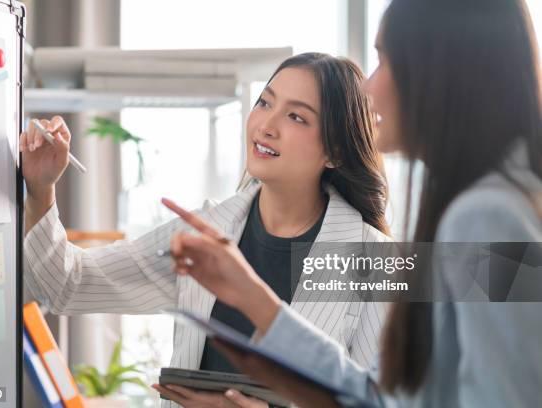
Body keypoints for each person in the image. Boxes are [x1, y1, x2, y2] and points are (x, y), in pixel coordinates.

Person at [164, 0, 542, 406]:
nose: (368, 87)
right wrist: (255, 300)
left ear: (441, 71)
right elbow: (387, 399)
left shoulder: (485, 217)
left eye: (385, 60)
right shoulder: (492, 206)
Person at [20, 53, 392, 407]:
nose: (266, 125)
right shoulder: (204, 233)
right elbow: (68, 285)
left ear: (336, 153)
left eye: (296, 117)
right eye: (265, 102)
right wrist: (41, 189)